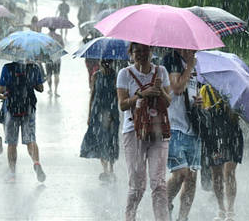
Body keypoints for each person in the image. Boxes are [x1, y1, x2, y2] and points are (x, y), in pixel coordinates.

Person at [116, 43, 172, 221]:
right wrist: (142, 94)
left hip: (158, 130)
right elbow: (123, 104)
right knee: (137, 185)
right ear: (131, 54)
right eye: (137, 51)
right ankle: (130, 217)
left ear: (152, 52)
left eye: (145, 51)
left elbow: (169, 101)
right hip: (134, 131)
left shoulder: (161, 72)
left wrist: (160, 89)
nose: (141, 55)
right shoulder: (124, 74)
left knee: (159, 184)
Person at [163, 49, 202, 221]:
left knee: (192, 177)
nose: (194, 50)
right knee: (181, 173)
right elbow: (177, 88)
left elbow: (193, 90)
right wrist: (190, 67)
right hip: (173, 126)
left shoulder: (196, 63)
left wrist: (199, 101)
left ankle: (182, 218)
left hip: (193, 128)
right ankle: (164, 203)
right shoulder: (171, 58)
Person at [0, 61, 45, 183]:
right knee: (30, 140)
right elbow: (40, 88)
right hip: (28, 108)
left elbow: (0, 89)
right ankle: (36, 162)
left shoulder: (7, 67)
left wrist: (7, 88)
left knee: (12, 143)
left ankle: (12, 173)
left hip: (12, 109)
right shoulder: (34, 67)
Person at [199, 84, 244, 221]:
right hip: (213, 137)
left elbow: (237, 117)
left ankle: (230, 210)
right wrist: (205, 110)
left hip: (232, 136)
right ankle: (221, 209)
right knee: (216, 174)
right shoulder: (205, 90)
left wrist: (230, 108)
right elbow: (200, 114)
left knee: (229, 172)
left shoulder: (234, 89)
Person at [79, 59, 119, 182]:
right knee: (101, 139)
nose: (106, 64)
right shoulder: (96, 76)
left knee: (111, 140)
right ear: (100, 62)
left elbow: (118, 95)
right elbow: (92, 95)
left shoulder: (116, 76)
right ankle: (105, 169)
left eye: (108, 62)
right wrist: (89, 114)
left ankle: (111, 168)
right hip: (98, 112)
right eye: (103, 62)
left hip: (112, 112)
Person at [45, 28, 63, 97]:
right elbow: (62, 46)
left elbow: (43, 48)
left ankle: (50, 89)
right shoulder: (59, 36)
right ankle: (55, 90)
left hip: (48, 59)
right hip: (57, 59)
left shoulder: (46, 37)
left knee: (48, 75)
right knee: (56, 74)